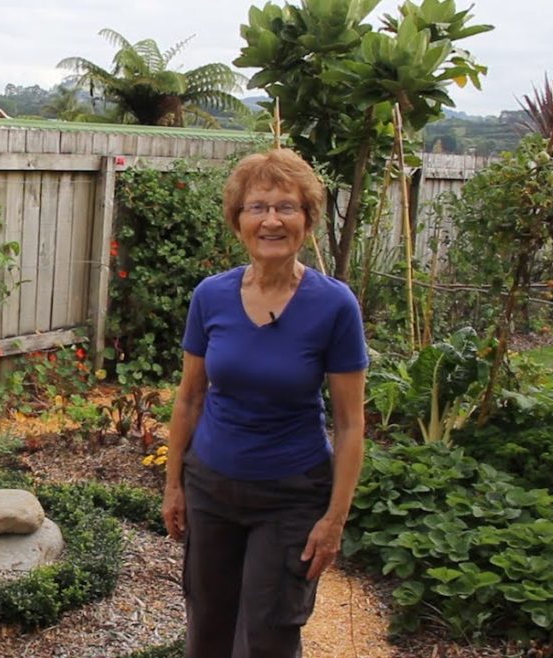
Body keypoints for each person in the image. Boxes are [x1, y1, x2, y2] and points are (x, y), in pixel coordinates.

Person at [162, 148, 368, 658]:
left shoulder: (334, 305)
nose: (271, 220)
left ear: (306, 220)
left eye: (286, 207)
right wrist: (173, 484)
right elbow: (189, 399)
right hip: (211, 487)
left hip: (291, 494)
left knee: (270, 634)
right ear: (239, 221)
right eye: (257, 207)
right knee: (207, 625)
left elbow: (349, 424)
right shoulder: (211, 296)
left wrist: (334, 518)